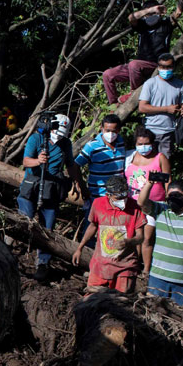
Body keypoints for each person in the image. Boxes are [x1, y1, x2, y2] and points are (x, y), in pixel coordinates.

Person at [17, 113, 76, 280]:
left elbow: (71, 165)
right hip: (32, 185)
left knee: (47, 227)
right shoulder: (36, 138)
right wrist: (38, 161)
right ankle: (12, 249)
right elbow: (26, 161)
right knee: (24, 219)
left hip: (52, 188)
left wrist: (78, 183)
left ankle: (43, 263)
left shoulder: (65, 144)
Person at [71, 176, 146, 294]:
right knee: (91, 300)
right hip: (100, 265)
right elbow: (92, 226)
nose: (122, 199)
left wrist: (128, 242)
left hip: (125, 265)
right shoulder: (98, 204)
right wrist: (79, 248)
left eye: (124, 195)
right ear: (108, 195)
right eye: (118, 197)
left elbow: (141, 237)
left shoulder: (135, 207)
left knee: (121, 302)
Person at [138, 177, 183, 305]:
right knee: (153, 314)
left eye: (178, 196)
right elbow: (141, 202)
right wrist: (150, 183)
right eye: (170, 196)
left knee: (180, 318)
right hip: (158, 277)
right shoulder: (162, 210)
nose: (173, 199)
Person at [102, 0, 179, 105]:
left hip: (154, 65)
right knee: (107, 74)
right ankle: (114, 105)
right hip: (137, 69)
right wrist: (150, 10)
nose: (150, 16)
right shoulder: (142, 26)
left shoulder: (166, 24)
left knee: (134, 64)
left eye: (153, 13)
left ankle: (134, 94)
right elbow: (131, 17)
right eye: (148, 14)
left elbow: (179, 11)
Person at [124, 127, 170, 274]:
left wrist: (169, 196)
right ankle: (135, 265)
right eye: (140, 144)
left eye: (146, 143)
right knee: (134, 236)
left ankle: (147, 269)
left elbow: (167, 179)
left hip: (153, 204)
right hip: (132, 203)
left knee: (147, 238)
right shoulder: (129, 157)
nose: (143, 147)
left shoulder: (160, 158)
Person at [73, 114, 126, 240]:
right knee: (92, 225)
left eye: (114, 131)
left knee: (114, 230)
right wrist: (81, 185)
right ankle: (85, 253)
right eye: (108, 130)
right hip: (98, 196)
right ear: (102, 129)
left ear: (118, 130)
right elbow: (76, 165)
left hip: (118, 196)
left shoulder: (121, 142)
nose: (111, 134)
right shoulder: (93, 146)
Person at [138, 53, 183, 158]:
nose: (165, 70)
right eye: (162, 67)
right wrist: (166, 109)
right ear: (158, 67)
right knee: (149, 163)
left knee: (164, 164)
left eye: (168, 67)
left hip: (168, 132)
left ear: (173, 67)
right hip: (150, 131)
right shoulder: (150, 83)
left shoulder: (180, 85)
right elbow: (142, 107)